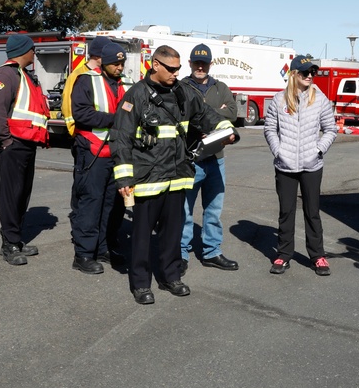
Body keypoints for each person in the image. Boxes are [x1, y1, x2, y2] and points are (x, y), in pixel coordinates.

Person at [110, 45, 237, 305]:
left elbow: (206, 115)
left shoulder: (183, 92)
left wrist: (227, 130)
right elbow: (121, 138)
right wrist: (124, 178)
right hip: (148, 179)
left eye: (178, 69)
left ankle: (171, 276)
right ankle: (141, 283)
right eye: (171, 69)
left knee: (172, 233)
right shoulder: (136, 95)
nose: (176, 73)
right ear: (155, 64)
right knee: (143, 236)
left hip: (177, 176)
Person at [263, 54, 337, 276]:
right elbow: (269, 129)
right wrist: (279, 151)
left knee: (312, 212)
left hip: (311, 165)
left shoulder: (320, 99)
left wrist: (318, 150)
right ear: (294, 75)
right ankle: (283, 255)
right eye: (305, 72)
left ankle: (317, 256)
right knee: (286, 211)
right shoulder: (278, 100)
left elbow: (330, 129)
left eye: (312, 72)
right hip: (284, 166)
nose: (310, 76)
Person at [0, 34, 50, 266]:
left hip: (26, 143)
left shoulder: (22, 75)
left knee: (22, 193)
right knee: (12, 194)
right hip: (13, 145)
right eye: (33, 50)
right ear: (24, 50)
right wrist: (6, 142)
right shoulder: (5, 75)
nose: (35, 54)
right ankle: (9, 244)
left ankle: (16, 238)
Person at [68, 41, 127, 274]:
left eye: (121, 63)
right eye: (115, 63)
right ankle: (83, 254)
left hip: (118, 152)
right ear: (104, 62)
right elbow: (80, 113)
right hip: (93, 150)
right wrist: (115, 119)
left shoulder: (128, 83)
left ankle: (103, 248)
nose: (119, 68)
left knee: (112, 205)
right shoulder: (86, 80)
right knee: (91, 203)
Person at [180, 43, 239, 274]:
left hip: (216, 158)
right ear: (190, 63)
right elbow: (182, 114)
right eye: (196, 62)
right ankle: (180, 253)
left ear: (210, 64)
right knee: (184, 211)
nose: (200, 66)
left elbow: (233, 112)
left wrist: (206, 112)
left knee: (213, 210)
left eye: (204, 63)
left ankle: (211, 252)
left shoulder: (221, 87)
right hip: (190, 159)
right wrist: (211, 113)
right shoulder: (181, 87)